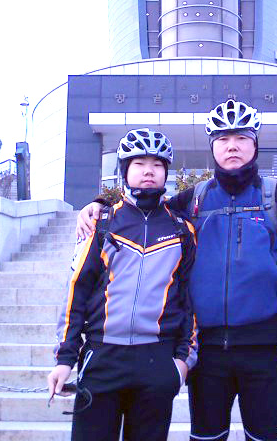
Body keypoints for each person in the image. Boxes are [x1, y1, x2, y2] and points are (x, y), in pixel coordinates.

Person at [76, 100, 277, 441]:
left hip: (264, 348)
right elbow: (144, 209)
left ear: (255, 144)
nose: (232, 146)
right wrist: (99, 205)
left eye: (241, 138)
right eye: (223, 139)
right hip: (206, 353)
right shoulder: (193, 201)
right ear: (212, 146)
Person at [48, 128, 198, 441]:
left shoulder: (182, 230)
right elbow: (76, 291)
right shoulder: (101, 223)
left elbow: (190, 301)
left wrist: (182, 362)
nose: (148, 171)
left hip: (157, 361)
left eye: (157, 164)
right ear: (124, 170)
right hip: (102, 358)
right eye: (139, 163)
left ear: (166, 173)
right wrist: (65, 359)